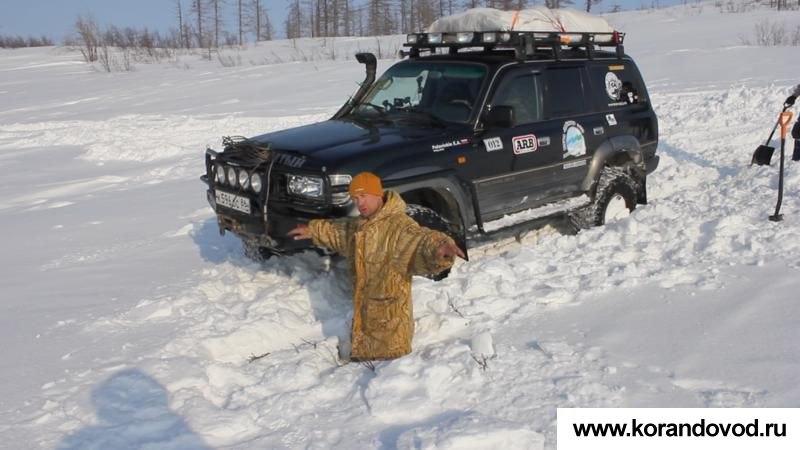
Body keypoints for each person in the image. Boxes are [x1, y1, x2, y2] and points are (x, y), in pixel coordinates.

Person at [287, 172, 465, 361]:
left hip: (391, 337)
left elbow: (419, 239)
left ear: (378, 194)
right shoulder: (360, 227)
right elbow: (338, 231)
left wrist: (439, 246)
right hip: (364, 330)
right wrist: (313, 230)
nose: (359, 203)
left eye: (363, 196)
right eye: (355, 198)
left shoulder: (399, 226)